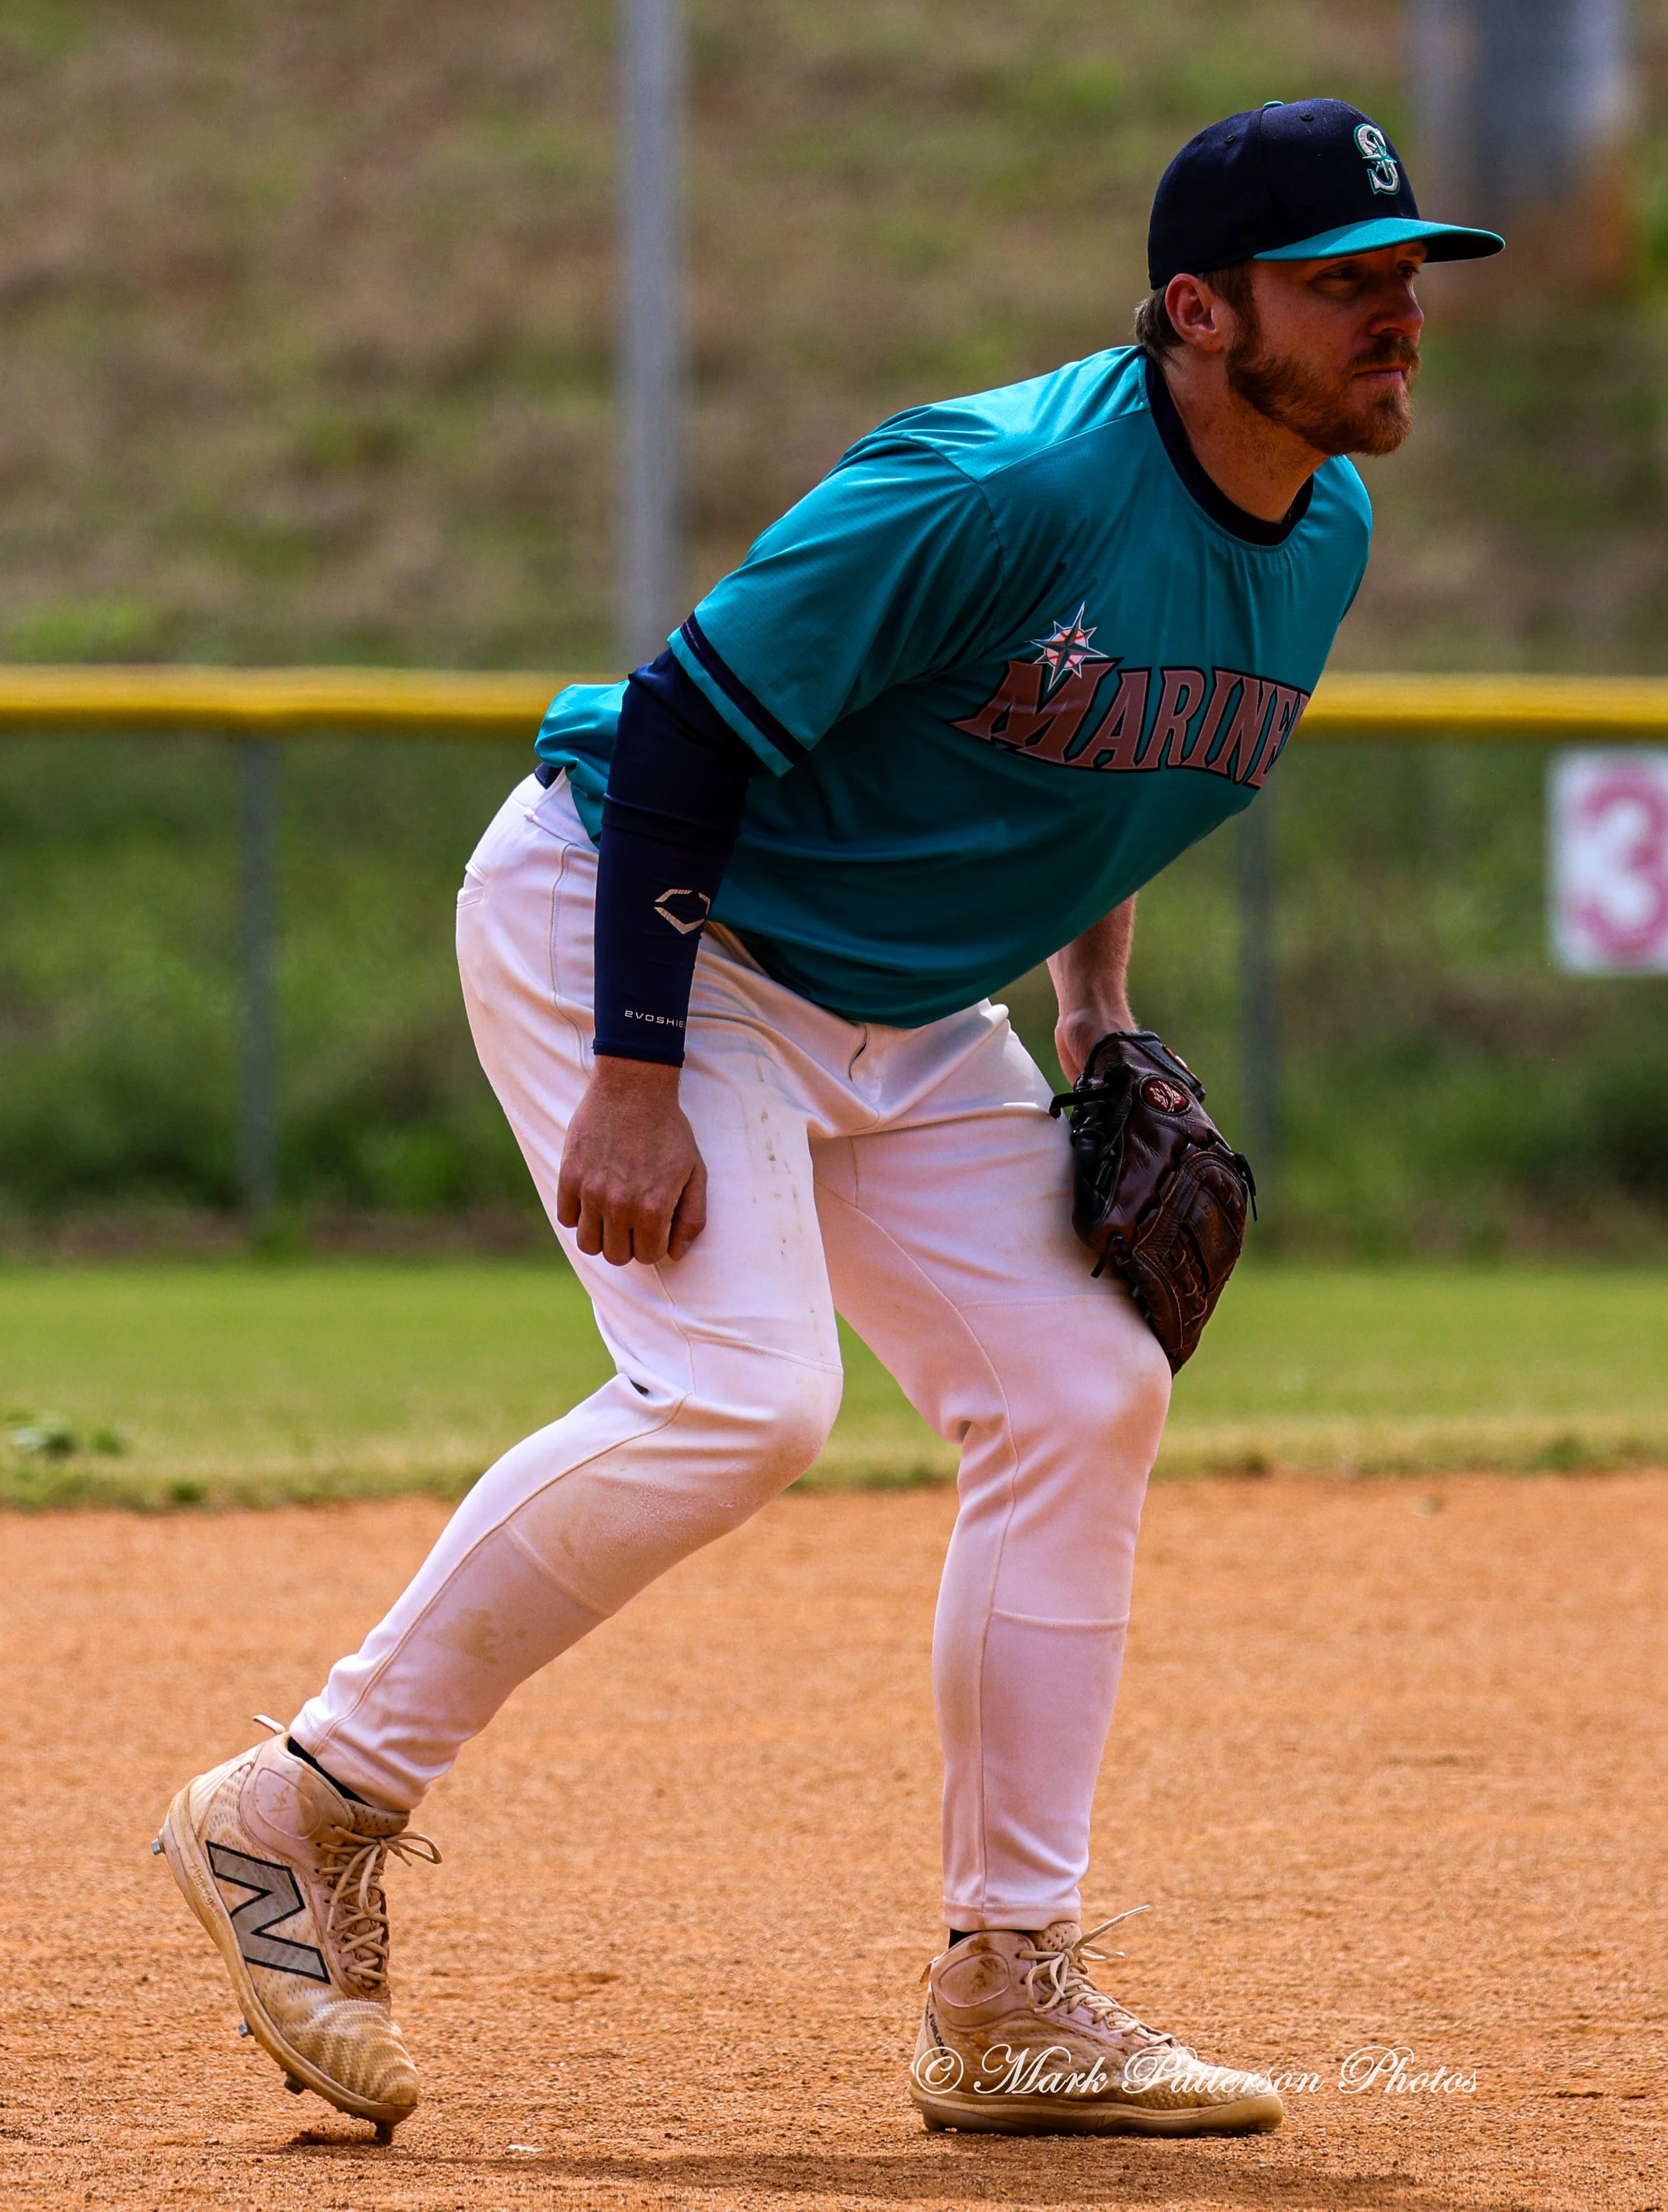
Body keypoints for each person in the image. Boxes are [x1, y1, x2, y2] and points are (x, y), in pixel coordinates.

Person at [155, 98, 1501, 2141]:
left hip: (886, 996)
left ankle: (1007, 1985)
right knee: (739, 1395)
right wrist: (631, 1068)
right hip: (641, 916)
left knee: (1078, 1380)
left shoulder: (1318, 525)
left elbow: (1099, 779)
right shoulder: (997, 481)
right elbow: (689, 716)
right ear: (1195, 311)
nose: (1393, 318)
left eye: (1405, 279)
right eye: (1341, 286)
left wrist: (1094, 1011)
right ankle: (297, 1804)